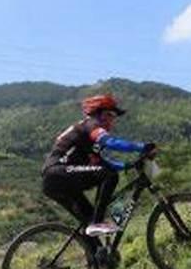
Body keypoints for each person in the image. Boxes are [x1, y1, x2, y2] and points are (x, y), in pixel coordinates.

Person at [41, 93, 156, 246]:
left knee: (89, 224)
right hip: (58, 172)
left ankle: (98, 267)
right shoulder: (91, 125)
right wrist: (141, 146)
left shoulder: (88, 136)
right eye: (110, 115)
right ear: (99, 114)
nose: (113, 120)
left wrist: (128, 165)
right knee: (109, 175)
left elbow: (104, 162)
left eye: (114, 116)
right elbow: (111, 142)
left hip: (55, 180)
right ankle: (97, 222)